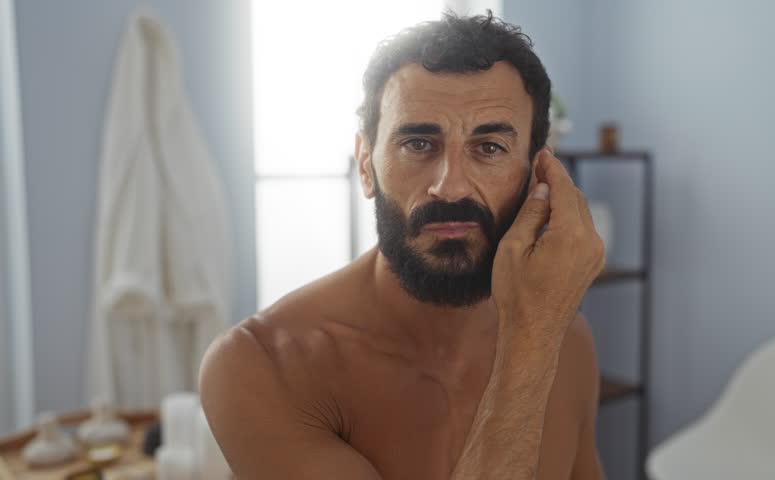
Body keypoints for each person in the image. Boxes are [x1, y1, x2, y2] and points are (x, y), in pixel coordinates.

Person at [200, 11, 606, 479]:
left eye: (489, 147)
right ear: (367, 165)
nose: (450, 187)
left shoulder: (568, 341)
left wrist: (538, 336)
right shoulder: (260, 366)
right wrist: (531, 348)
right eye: (418, 144)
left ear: (539, 174)